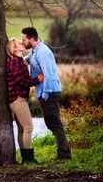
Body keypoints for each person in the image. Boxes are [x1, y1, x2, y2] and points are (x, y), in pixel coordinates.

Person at [21, 26, 72, 160]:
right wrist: (14, 55)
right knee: (52, 123)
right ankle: (65, 152)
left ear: (31, 39)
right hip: (45, 93)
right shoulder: (34, 51)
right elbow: (26, 60)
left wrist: (44, 96)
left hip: (49, 92)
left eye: (24, 39)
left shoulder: (42, 52)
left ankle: (64, 155)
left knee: (54, 123)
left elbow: (48, 75)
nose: (22, 42)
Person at [5, 38, 38, 164]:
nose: (21, 43)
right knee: (29, 128)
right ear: (14, 49)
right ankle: (29, 158)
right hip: (17, 99)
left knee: (22, 130)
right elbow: (22, 81)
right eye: (18, 43)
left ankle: (26, 158)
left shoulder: (20, 61)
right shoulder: (14, 63)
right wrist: (37, 80)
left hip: (19, 99)